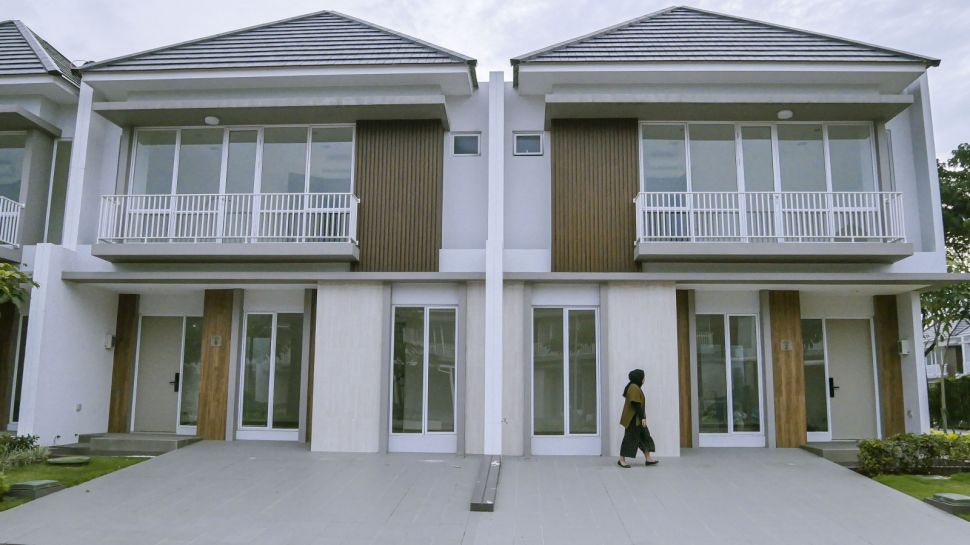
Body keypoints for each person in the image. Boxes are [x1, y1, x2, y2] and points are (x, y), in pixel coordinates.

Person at [618, 369, 658, 468]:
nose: (644, 379)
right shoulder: (634, 388)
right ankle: (621, 460)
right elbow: (636, 404)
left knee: (644, 437)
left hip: (637, 418)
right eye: (643, 377)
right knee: (629, 438)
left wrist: (642, 417)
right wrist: (642, 418)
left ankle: (648, 458)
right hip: (633, 419)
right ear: (639, 378)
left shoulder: (635, 387)